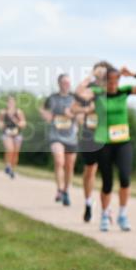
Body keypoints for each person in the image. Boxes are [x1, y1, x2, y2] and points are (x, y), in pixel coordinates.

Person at [77, 66, 136, 231]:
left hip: (122, 141)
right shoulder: (97, 92)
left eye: (116, 81)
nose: (113, 84)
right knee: (107, 182)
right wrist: (91, 76)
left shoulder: (123, 91)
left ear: (119, 81)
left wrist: (133, 73)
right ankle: (105, 215)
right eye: (109, 81)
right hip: (103, 142)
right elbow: (79, 92)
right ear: (104, 81)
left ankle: (123, 214)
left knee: (125, 179)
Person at [75, 61, 109, 223]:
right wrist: (86, 110)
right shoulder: (89, 89)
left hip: (107, 135)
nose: (101, 73)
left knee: (106, 172)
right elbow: (76, 99)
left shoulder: (111, 88)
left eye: (103, 71)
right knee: (90, 170)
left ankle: (105, 209)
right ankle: (88, 203)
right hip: (89, 134)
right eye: (98, 71)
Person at [41, 74, 79, 206]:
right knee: (59, 161)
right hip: (56, 135)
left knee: (69, 165)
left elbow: (81, 114)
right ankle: (59, 189)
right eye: (64, 82)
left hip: (71, 136)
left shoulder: (75, 98)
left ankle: (66, 190)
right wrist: (47, 116)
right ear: (59, 83)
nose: (66, 85)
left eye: (68, 82)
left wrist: (73, 115)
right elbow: (43, 109)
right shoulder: (52, 98)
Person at [0, 95, 26, 178]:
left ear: (15, 102)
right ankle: (8, 165)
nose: (11, 103)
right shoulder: (3, 112)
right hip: (7, 133)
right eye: (9, 101)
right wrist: (4, 127)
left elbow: (23, 123)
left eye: (12, 101)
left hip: (17, 134)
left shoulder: (19, 112)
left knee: (16, 153)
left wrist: (17, 122)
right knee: (10, 149)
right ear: (7, 102)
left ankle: (12, 170)